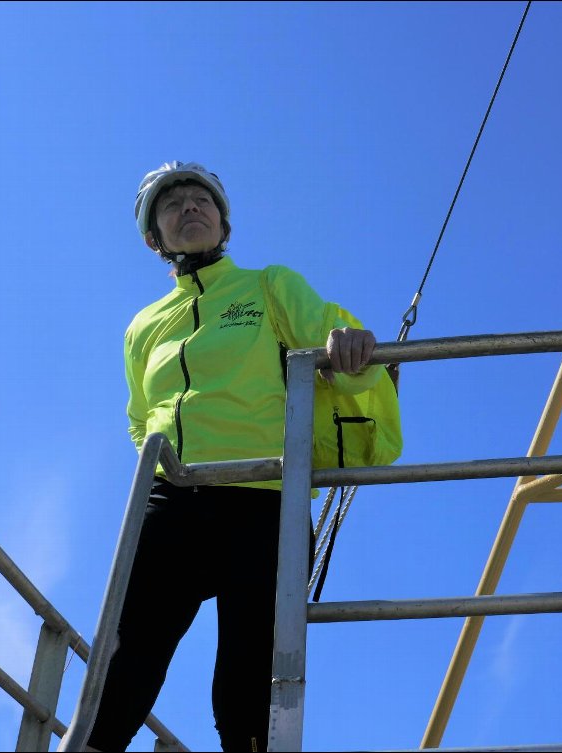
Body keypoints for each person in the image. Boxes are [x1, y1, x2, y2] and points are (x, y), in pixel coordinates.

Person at [85, 161, 382, 752]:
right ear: (155, 240)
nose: (190, 209)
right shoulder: (143, 326)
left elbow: (331, 342)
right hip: (175, 496)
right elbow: (139, 415)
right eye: (173, 207)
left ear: (224, 225)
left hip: (267, 494)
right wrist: (160, 460)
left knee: (248, 667)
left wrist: (352, 346)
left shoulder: (269, 285)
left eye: (202, 201)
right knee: (128, 648)